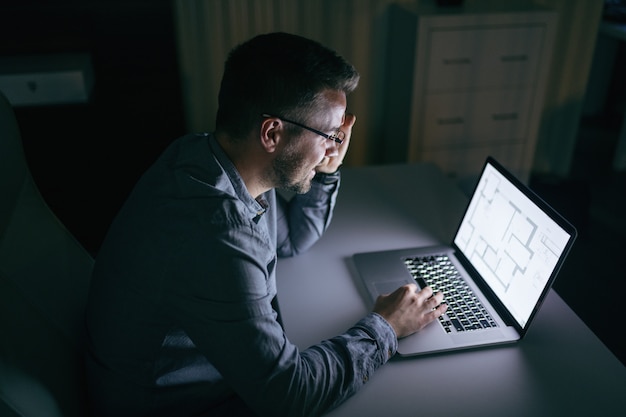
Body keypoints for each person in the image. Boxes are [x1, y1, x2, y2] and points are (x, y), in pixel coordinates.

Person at [85, 32, 447, 417]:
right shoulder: (215, 232)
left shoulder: (210, 157)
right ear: (272, 132)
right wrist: (386, 327)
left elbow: (289, 242)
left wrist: (325, 170)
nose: (335, 145)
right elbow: (290, 396)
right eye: (328, 135)